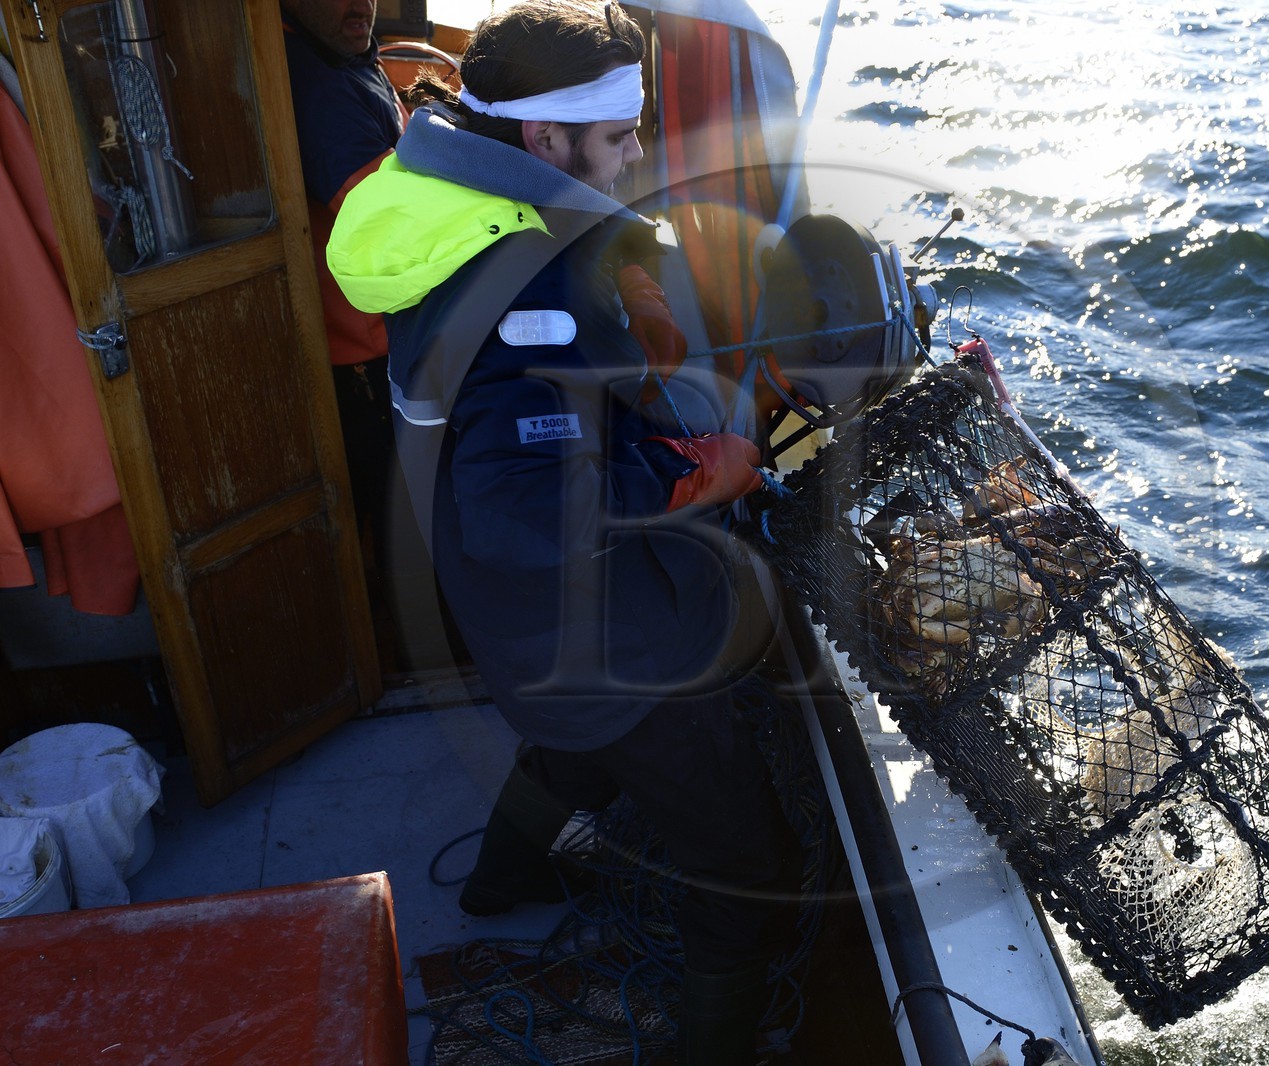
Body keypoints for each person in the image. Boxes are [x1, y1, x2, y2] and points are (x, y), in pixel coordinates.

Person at [326, 3, 801, 1061]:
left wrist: (615, 294)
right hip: (582, 625)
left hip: (507, 619)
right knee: (744, 862)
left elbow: (516, 424)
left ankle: (505, 880)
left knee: (571, 744)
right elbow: (525, 500)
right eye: (622, 133)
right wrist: (688, 475)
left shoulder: (455, 201)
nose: (640, 149)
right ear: (546, 141)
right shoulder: (526, 282)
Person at [280, 0, 408, 652]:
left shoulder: (349, 52)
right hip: (362, 348)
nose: (357, 3)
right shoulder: (316, 85)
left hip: (381, 329)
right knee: (395, 507)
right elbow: (382, 222)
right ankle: (407, 644)